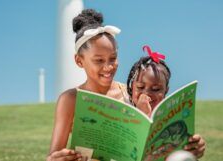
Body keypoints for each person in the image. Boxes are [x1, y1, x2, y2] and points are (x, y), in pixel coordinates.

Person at [47, 9, 205, 161]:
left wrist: (189, 147)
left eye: (113, 58)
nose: (108, 67)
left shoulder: (130, 93)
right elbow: (53, 155)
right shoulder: (70, 99)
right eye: (99, 60)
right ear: (79, 61)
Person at [126, 45, 206, 159]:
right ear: (131, 87)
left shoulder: (170, 117)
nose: (146, 94)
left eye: (156, 89)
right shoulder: (123, 109)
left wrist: (195, 146)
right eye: (140, 87)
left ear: (165, 91)